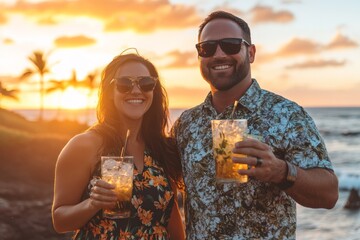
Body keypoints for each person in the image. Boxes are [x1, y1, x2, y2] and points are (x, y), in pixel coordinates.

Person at [171, 10, 339, 239]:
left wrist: (281, 171)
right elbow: (163, 188)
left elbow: (329, 195)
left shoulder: (287, 114)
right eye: (207, 48)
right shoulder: (186, 125)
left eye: (230, 45)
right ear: (199, 55)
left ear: (250, 52)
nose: (219, 54)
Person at [52, 50, 185, 239]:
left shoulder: (160, 147)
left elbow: (172, 218)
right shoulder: (85, 145)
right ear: (109, 92)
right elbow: (60, 221)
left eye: (146, 84)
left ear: (153, 91)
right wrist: (93, 203)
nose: (136, 90)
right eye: (124, 84)